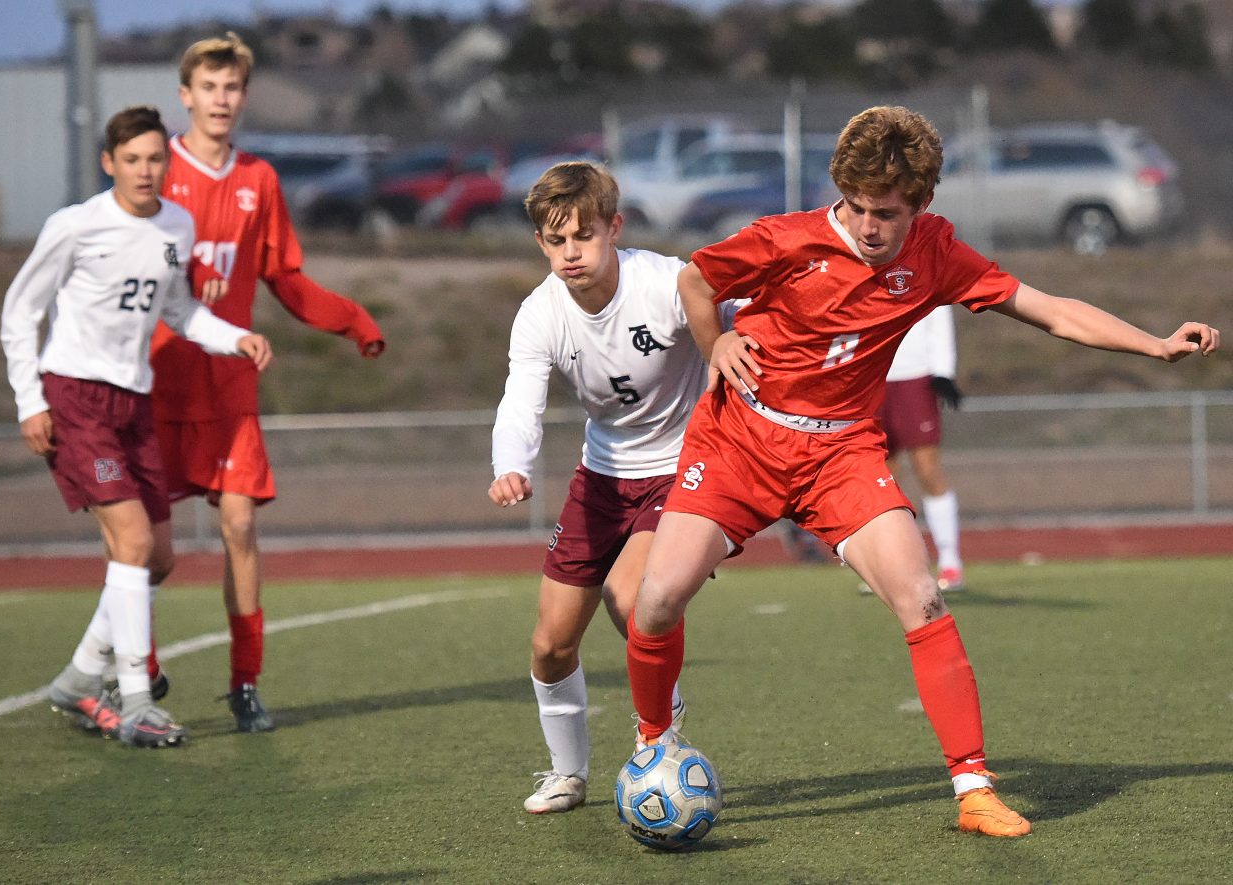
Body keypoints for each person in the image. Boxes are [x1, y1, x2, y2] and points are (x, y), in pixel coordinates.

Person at [624, 105, 1219, 838]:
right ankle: (655, 741)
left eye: (889, 213)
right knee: (656, 600)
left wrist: (1156, 345)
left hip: (840, 453)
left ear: (923, 204)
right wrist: (715, 343)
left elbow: (1051, 310)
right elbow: (694, 280)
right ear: (840, 191)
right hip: (739, 441)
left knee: (922, 596)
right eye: (859, 208)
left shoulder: (935, 251)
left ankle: (974, 789)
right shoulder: (785, 239)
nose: (870, 227)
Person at [0, 105, 273, 748]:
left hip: (134, 404)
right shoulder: (75, 226)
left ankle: (76, 679)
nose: (145, 170)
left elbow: (179, 309)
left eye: (155, 158)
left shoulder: (177, 224)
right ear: (109, 163)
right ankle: (137, 699)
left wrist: (235, 338)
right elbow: (19, 314)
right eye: (132, 160)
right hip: (75, 398)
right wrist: (28, 401)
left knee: (158, 559)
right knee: (130, 539)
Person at [148, 33, 385, 733]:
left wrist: (351, 319)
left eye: (232, 88)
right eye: (208, 87)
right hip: (158, 383)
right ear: (185, 94)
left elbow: (285, 280)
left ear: (243, 96)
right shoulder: (155, 170)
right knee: (148, 552)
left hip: (230, 388)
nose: (221, 100)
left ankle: (245, 683)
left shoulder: (260, 180)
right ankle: (138, 663)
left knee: (241, 524)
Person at [488, 161, 731, 813]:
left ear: (615, 229)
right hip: (601, 477)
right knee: (550, 642)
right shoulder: (540, 314)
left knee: (632, 596)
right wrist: (510, 462)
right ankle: (568, 773)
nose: (571, 252)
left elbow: (734, 337)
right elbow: (520, 402)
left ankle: (663, 721)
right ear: (541, 243)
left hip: (682, 469)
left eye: (584, 235)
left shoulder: (666, 283)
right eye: (556, 239)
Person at [865, 305, 966, 592]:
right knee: (883, 477)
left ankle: (949, 561)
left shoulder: (922, 263)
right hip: (871, 376)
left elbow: (940, 312)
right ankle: (889, 567)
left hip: (916, 376)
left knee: (927, 469)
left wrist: (943, 372)